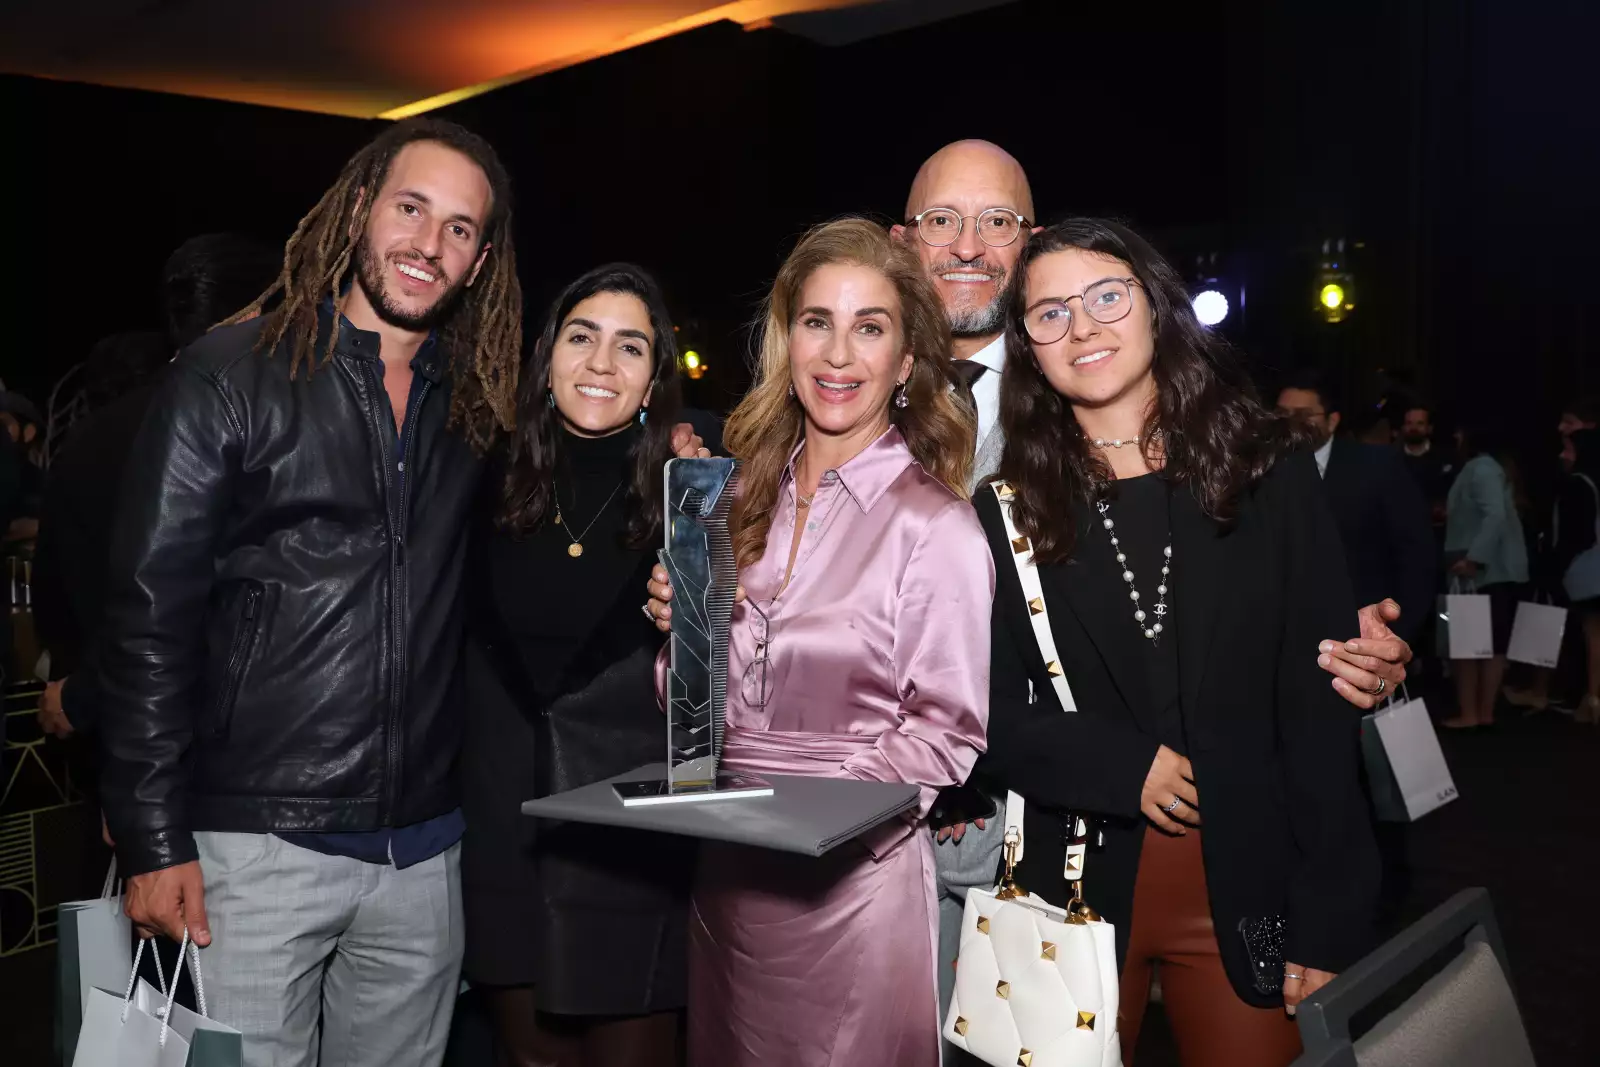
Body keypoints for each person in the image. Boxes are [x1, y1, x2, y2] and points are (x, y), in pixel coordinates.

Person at [94, 118, 525, 1067]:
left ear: (482, 260)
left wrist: (683, 456)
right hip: (255, 849)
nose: (428, 244)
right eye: (410, 208)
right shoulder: (231, 375)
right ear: (361, 207)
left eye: (459, 229)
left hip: (422, 858)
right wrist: (152, 834)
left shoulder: (477, 405)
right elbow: (147, 619)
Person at [973, 218, 1380, 1067]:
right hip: (1070, 883)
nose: (1081, 327)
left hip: (1252, 878)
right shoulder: (1007, 508)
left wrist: (1331, 911)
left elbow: (1318, 709)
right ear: (1029, 349)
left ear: (1156, 305)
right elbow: (977, 708)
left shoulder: (1268, 471)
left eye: (1106, 296)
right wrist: (1119, 765)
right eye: (1050, 313)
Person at [644, 218, 991, 1065]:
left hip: (852, 891)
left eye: (869, 327)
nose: (838, 355)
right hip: (728, 882)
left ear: (905, 362)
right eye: (817, 322)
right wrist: (679, 636)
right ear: (786, 340)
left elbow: (944, 734)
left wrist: (805, 822)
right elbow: (695, 706)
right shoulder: (730, 499)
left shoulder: (935, 524)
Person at [463, 264, 715, 1067]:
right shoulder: (480, 479)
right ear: (547, 359)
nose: (602, 362)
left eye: (630, 346)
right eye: (582, 336)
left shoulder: (694, 493)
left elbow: (713, 692)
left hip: (632, 849)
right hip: (503, 838)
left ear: (653, 379)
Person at [35, 236, 279, 741]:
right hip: (230, 734)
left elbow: (56, 601)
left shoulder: (93, 436)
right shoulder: (255, 430)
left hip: (118, 732)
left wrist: (82, 695)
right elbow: (193, 603)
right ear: (253, 316)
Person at [1276, 371, 1435, 645]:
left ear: (1332, 420)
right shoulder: (1258, 472)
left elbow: (1416, 556)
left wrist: (1396, 635)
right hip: (1279, 639)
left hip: (1359, 639)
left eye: (1303, 415)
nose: (1290, 423)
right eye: (1282, 414)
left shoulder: (1377, 467)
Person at [1441, 417, 1529, 729]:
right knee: (1491, 645)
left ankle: (1472, 713)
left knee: (1468, 645)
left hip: (1481, 572)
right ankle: (1483, 712)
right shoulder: (1492, 468)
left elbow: (1495, 515)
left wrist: (1474, 558)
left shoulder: (1481, 468)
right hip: (1494, 570)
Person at [1548, 427, 1600, 722]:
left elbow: (1577, 535)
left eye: (1568, 449)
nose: (1562, 455)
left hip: (1589, 572)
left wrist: (1560, 563)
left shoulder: (1578, 484)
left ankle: (1593, 698)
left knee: (1593, 636)